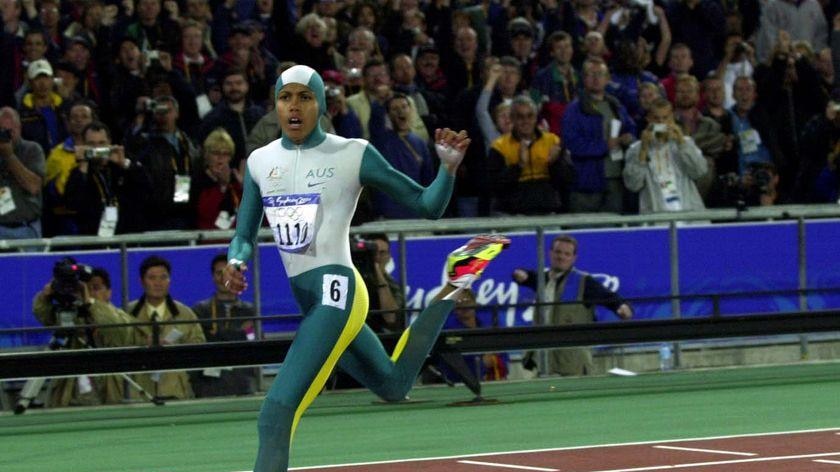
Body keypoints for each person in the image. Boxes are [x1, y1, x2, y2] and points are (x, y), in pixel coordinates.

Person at [221, 64, 508, 472]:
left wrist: (446, 170)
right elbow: (244, 234)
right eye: (286, 98)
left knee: (276, 412)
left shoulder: (352, 153)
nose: (295, 106)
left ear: (321, 103)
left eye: (305, 97)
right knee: (393, 383)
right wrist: (237, 260)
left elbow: (427, 206)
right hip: (311, 300)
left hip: (337, 292)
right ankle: (455, 280)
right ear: (275, 105)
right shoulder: (259, 162)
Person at [513, 235, 632, 376]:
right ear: (550, 253)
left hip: (573, 366)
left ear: (573, 258)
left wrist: (622, 307)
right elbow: (524, 275)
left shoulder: (584, 282)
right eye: (558, 252)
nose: (561, 257)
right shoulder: (542, 278)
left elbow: (609, 298)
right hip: (544, 362)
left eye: (566, 254)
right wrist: (519, 274)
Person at [31, 261, 136, 406]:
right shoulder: (71, 315)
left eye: (96, 288)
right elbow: (43, 315)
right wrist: (45, 297)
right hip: (69, 395)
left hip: (108, 395)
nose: (90, 292)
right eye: (84, 288)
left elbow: (118, 330)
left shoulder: (119, 316)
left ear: (109, 292)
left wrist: (90, 302)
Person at [126, 255, 206, 400]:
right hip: (140, 392)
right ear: (142, 281)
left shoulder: (184, 313)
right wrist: (142, 346)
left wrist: (174, 349)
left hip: (176, 390)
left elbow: (200, 347)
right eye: (152, 278)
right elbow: (119, 346)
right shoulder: (128, 314)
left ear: (170, 280)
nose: (158, 283)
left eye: (163, 277)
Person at [63, 121, 151, 235]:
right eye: (91, 144)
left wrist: (125, 164)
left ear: (109, 142)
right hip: (93, 237)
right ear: (83, 144)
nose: (97, 148)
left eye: (101, 143)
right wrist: (83, 165)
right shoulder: (80, 172)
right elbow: (72, 203)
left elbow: (147, 190)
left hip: (126, 234)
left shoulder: (123, 166)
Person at [623, 98, 708, 214]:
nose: (661, 122)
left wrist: (681, 143)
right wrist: (643, 150)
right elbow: (633, 185)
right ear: (648, 119)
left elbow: (700, 172)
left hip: (688, 212)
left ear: (672, 118)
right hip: (656, 215)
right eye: (656, 119)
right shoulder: (636, 149)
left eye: (665, 118)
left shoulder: (686, 143)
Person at [191, 254, 257, 397]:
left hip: (242, 384)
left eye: (229, 272)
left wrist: (218, 335)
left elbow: (252, 343)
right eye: (219, 273)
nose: (224, 278)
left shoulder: (249, 310)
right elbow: (199, 346)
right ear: (212, 277)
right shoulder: (201, 310)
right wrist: (238, 333)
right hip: (208, 386)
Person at [0, 106, 45, 241]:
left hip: (26, 229)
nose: (5, 136)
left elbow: (33, 186)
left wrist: (9, 156)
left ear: (19, 128)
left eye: (9, 131)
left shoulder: (32, 149)